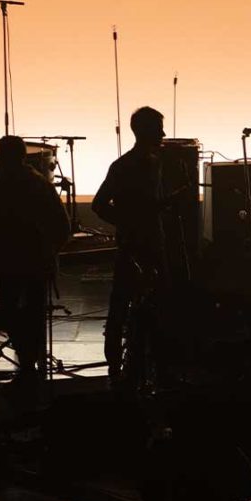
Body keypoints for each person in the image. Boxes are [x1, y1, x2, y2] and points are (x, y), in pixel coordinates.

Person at [0, 136, 71, 377]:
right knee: (36, 309)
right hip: (37, 258)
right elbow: (63, 225)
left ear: (0, 159)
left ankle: (25, 356)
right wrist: (51, 252)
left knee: (10, 308)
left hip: (10, 260)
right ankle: (34, 358)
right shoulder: (40, 184)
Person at [93, 107, 169, 384]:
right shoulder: (130, 166)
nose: (163, 134)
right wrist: (131, 221)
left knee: (123, 302)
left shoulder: (143, 163)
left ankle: (117, 362)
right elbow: (99, 204)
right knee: (127, 302)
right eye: (158, 128)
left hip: (142, 242)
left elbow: (101, 206)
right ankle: (124, 363)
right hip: (140, 244)